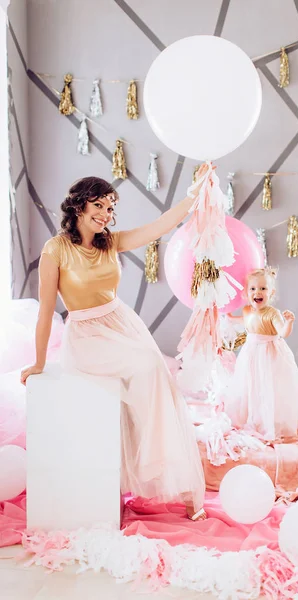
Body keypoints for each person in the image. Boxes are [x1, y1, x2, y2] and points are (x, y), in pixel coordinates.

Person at [21, 167, 209, 521]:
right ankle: (151, 461)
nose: (106, 215)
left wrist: (195, 192)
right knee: (147, 369)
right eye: (99, 206)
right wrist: (39, 362)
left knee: (158, 379)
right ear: (78, 207)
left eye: (110, 208)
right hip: (86, 334)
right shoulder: (55, 249)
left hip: (121, 323)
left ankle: (176, 478)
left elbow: (160, 225)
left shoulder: (112, 241)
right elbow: (46, 311)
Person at [224, 267, 298, 441]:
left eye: (263, 289)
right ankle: (250, 417)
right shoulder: (247, 311)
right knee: (249, 383)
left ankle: (268, 420)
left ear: (271, 293)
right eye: (252, 289)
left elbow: (282, 332)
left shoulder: (273, 314)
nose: (257, 292)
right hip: (250, 352)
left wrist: (288, 322)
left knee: (267, 385)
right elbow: (245, 322)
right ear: (246, 292)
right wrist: (228, 315)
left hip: (268, 353)